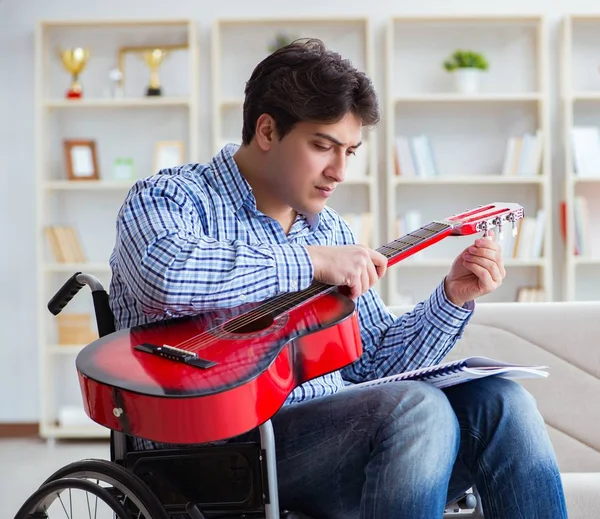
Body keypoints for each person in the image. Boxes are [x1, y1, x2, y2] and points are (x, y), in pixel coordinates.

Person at [108, 39, 567, 519]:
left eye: (350, 151)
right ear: (267, 130)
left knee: (502, 402)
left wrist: (452, 297)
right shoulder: (170, 197)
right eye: (323, 146)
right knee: (416, 411)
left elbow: (373, 365)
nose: (340, 171)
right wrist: (309, 263)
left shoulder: (329, 228)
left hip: (332, 440)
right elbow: (166, 276)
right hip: (213, 450)